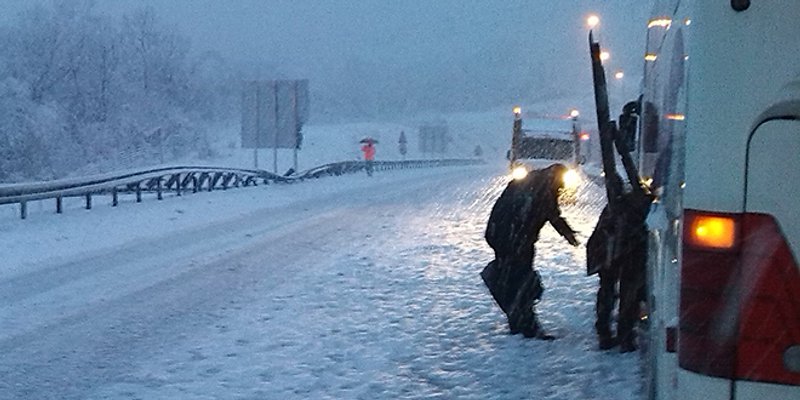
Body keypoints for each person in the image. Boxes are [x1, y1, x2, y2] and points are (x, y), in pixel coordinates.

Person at [482, 163, 580, 339]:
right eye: (559, 186)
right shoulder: (543, 188)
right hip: (514, 239)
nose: (559, 190)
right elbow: (552, 213)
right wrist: (567, 233)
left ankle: (519, 320)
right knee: (521, 279)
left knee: (512, 278)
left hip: (503, 235)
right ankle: (526, 324)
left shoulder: (532, 182)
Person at [586, 189, 653, 352]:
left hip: (607, 249)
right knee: (628, 293)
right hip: (613, 249)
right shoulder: (642, 213)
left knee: (609, 291)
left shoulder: (619, 206)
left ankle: (606, 333)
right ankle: (624, 337)